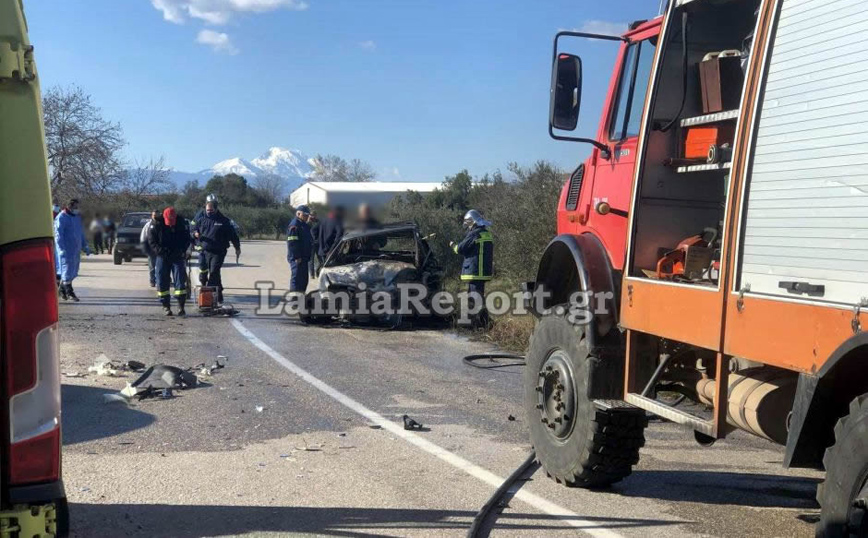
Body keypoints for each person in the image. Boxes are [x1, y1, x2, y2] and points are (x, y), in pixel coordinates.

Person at [192, 198, 240, 304]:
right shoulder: (201, 219)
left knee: (213, 272)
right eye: (207, 210)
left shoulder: (224, 221)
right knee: (215, 274)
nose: (209, 212)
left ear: (216, 209)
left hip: (219, 251)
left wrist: (237, 248)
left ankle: (208, 297)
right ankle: (219, 295)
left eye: (211, 210)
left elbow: (233, 236)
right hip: (205, 251)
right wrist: (195, 234)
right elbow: (194, 229)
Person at [148, 207, 191, 316]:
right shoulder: (156, 224)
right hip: (162, 256)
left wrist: (183, 251)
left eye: (172, 222)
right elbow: (152, 241)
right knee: (162, 280)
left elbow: (187, 239)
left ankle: (181, 306)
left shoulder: (182, 224)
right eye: (169, 222)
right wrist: (160, 251)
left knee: (180, 281)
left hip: (177, 256)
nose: (171, 225)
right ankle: (166, 306)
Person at [451, 209, 494, 303]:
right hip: (483, 272)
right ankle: (481, 317)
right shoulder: (486, 233)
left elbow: (460, 249)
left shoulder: (474, 234)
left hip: (475, 271)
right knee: (478, 297)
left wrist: (453, 245)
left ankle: (478, 317)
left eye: (468, 224)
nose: (468, 227)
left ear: (472, 222)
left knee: (474, 300)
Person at [55, 198, 90, 301]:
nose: (77, 209)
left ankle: (62, 289)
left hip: (75, 250)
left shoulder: (77, 218)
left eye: (78, 207)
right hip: (65, 250)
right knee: (66, 270)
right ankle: (69, 291)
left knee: (73, 271)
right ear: (69, 206)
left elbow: (81, 233)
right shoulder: (61, 217)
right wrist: (61, 248)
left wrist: (85, 245)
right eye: (75, 207)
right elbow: (58, 234)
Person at [191, 193, 218, 286]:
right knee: (202, 265)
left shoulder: (218, 215)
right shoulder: (200, 214)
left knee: (214, 269)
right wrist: (195, 232)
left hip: (213, 248)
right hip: (201, 245)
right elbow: (192, 225)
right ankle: (203, 278)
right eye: (210, 203)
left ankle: (213, 286)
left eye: (214, 203)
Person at [286, 205, 312, 292]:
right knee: (296, 279)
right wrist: (296, 256)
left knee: (304, 280)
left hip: (304, 257)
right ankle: (294, 300)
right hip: (297, 258)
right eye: (305, 215)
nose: (306, 217)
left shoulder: (304, 225)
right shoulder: (294, 225)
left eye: (307, 215)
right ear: (298, 213)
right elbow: (292, 243)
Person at [140, 210, 159, 287]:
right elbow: (143, 236)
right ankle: (152, 280)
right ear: (152, 216)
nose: (155, 216)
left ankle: (159, 281)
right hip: (151, 250)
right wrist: (144, 247)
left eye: (156, 215)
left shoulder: (162, 224)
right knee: (152, 267)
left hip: (160, 249)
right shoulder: (148, 225)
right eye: (153, 215)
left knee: (160, 267)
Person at [308, 210, 319, 278]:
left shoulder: (318, 222)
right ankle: (312, 274)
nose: (312, 216)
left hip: (318, 243)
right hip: (310, 244)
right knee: (311, 260)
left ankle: (318, 272)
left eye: (313, 215)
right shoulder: (308, 223)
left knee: (320, 258)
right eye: (311, 215)